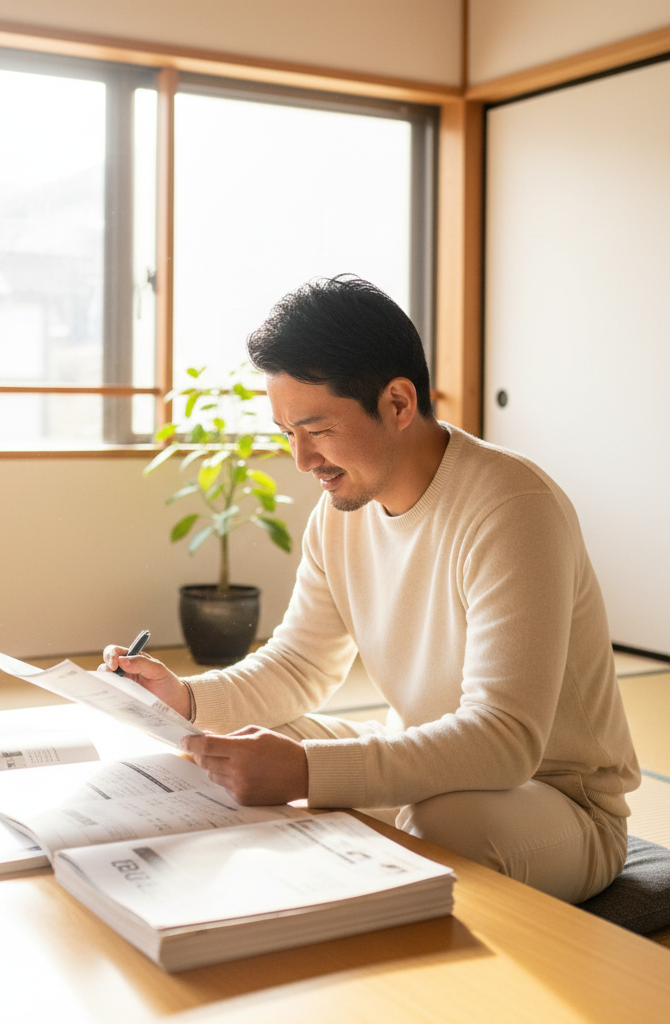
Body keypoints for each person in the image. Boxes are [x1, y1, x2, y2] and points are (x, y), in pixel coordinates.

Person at [103, 274, 639, 903]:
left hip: (555, 801)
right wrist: (185, 697)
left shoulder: (512, 507)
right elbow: (300, 665)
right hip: (429, 768)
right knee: (220, 755)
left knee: (447, 827)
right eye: (287, 434)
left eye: (318, 429)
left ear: (398, 403)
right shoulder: (337, 516)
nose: (302, 461)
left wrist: (307, 772)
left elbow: (504, 741)